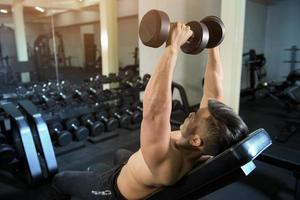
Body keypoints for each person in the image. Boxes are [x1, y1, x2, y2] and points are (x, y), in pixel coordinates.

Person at [46, 22, 248, 200]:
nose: (192, 113)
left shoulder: (168, 163)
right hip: (135, 169)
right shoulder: (207, 137)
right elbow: (214, 88)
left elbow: (155, 112)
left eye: (195, 117)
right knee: (119, 153)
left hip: (113, 189)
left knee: (60, 179)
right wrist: (212, 44)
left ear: (196, 141)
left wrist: (172, 48)